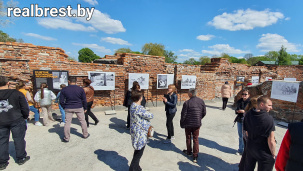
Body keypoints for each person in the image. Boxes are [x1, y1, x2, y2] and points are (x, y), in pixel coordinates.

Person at [0, 76, 30, 170]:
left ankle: (2, 162)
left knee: (1, 141)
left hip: (1, 120)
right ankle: (21, 157)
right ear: (8, 83)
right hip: (16, 119)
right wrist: (25, 116)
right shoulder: (17, 93)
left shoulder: (17, 93)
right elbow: (25, 107)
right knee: (19, 139)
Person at [243, 96, 276, 171]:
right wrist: (273, 154)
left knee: (248, 168)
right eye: (269, 105)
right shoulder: (268, 119)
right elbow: (271, 141)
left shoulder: (248, 114)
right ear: (262, 104)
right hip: (263, 150)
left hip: (250, 146)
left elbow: (247, 132)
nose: (271, 108)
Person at [129, 90, 153, 171]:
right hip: (140, 133)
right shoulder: (139, 108)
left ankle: (137, 167)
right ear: (140, 98)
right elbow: (150, 116)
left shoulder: (132, 105)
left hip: (135, 131)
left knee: (137, 150)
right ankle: (133, 168)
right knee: (139, 152)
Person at [180, 88, 206, 163]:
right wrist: (199, 118)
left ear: (191, 94)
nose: (188, 94)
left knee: (188, 138)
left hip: (188, 124)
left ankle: (189, 152)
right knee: (195, 139)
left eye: (188, 93)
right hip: (197, 124)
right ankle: (195, 156)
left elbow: (183, 115)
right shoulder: (201, 101)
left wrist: (182, 123)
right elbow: (204, 112)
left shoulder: (187, 103)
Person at [60, 77, 89, 142]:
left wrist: (64, 107)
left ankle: (66, 138)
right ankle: (85, 134)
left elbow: (61, 101)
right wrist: (85, 107)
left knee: (67, 122)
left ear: (68, 81)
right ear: (76, 81)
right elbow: (84, 100)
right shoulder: (80, 89)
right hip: (79, 106)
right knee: (82, 121)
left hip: (68, 107)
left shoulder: (64, 89)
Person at [238, 96, 260, 171]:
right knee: (249, 155)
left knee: (246, 153)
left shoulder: (247, 112)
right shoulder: (252, 113)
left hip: (245, 136)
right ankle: (243, 167)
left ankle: (241, 167)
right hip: (249, 137)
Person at [234, 89, 251, 155]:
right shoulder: (239, 101)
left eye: (245, 94)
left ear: (249, 95)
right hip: (240, 119)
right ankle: (241, 150)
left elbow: (252, 112)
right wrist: (237, 111)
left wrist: (244, 112)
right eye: (243, 94)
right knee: (240, 136)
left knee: (247, 136)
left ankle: (247, 150)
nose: (244, 95)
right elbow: (236, 110)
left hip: (248, 121)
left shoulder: (251, 102)